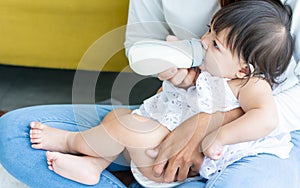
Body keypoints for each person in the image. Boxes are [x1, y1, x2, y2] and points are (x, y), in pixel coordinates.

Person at [0, 0, 299, 188]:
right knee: (14, 133)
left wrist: (215, 131)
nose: (204, 41)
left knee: (127, 129)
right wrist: (172, 68)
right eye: (208, 31)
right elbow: (140, 46)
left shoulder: (252, 86)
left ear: (244, 70)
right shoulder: (213, 68)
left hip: (234, 151)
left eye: (215, 43)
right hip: (165, 124)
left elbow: (267, 117)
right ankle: (94, 165)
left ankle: (71, 143)